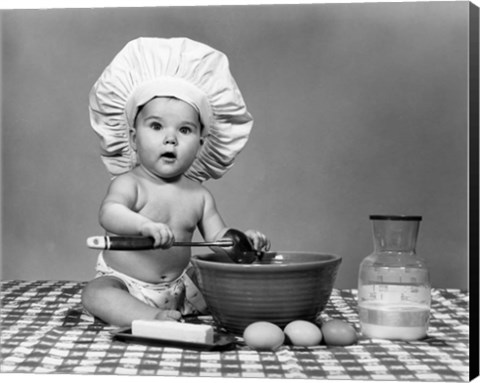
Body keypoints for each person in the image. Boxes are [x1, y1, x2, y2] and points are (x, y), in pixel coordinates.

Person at [82, 37, 270, 327]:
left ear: (202, 143)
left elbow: (218, 238)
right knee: (96, 294)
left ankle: (181, 310)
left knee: (226, 281)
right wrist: (143, 226)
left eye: (184, 129)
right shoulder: (130, 183)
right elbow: (109, 213)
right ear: (133, 138)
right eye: (156, 126)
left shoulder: (199, 196)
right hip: (126, 283)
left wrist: (242, 242)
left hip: (182, 287)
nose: (170, 138)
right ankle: (150, 317)